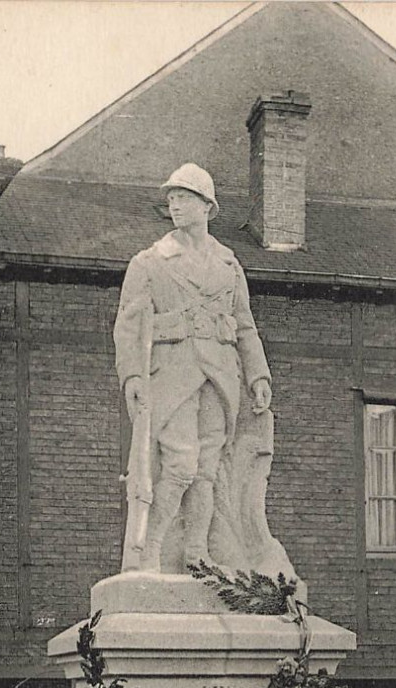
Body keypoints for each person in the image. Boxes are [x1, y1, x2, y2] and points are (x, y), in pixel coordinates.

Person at [114, 163, 273, 573]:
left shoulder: (229, 265)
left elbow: (244, 326)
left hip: (220, 377)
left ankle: (196, 553)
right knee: (180, 465)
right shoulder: (150, 262)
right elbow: (129, 326)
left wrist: (258, 374)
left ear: (207, 205)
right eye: (171, 199)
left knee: (206, 471)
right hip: (174, 375)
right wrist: (132, 374)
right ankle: (150, 547)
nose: (174, 205)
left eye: (183, 197)